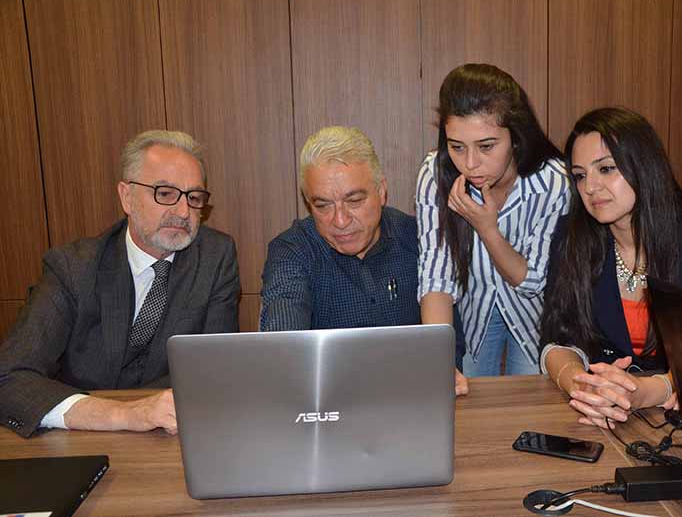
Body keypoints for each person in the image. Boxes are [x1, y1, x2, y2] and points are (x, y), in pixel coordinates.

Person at [0, 130, 240, 438]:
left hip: (170, 435)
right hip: (81, 437)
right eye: (165, 193)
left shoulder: (215, 257)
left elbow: (217, 371)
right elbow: (9, 377)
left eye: (193, 198)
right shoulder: (73, 267)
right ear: (127, 196)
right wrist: (125, 414)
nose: (183, 212)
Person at [540, 107, 682, 428]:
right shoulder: (572, 236)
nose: (590, 186)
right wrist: (581, 385)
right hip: (599, 412)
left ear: (644, 166)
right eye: (579, 175)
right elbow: (557, 339)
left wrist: (652, 389)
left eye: (606, 169)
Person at [260, 126, 466, 380]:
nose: (340, 220)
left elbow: (451, 345)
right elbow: (283, 341)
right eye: (323, 206)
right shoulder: (293, 250)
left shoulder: (418, 240)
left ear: (381, 192)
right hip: (328, 396)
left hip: (410, 393)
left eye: (354, 201)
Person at [416, 64, 571, 391]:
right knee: (470, 404)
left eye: (486, 146)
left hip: (536, 315)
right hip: (472, 312)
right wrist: (438, 359)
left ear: (516, 137)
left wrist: (487, 229)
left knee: (531, 405)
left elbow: (532, 282)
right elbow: (435, 274)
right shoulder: (435, 173)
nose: (470, 163)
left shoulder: (553, 181)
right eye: (457, 147)